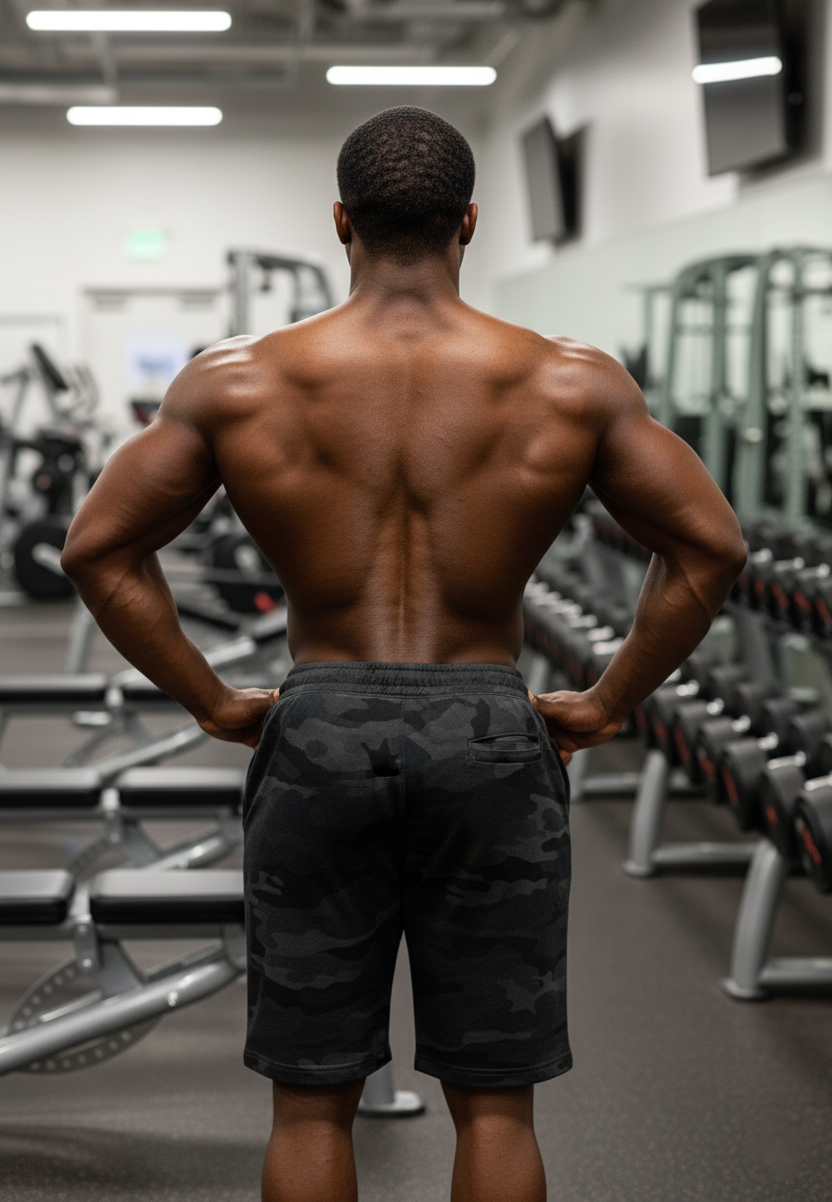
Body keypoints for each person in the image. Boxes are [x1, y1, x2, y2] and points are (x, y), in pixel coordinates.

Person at [62, 106, 747, 1202]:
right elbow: (711, 546)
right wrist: (610, 699)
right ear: (468, 221)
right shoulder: (570, 381)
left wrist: (210, 701)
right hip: (491, 731)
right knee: (496, 1102)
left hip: (318, 730)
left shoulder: (235, 380)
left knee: (310, 1102)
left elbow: (97, 550)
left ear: (341, 221)